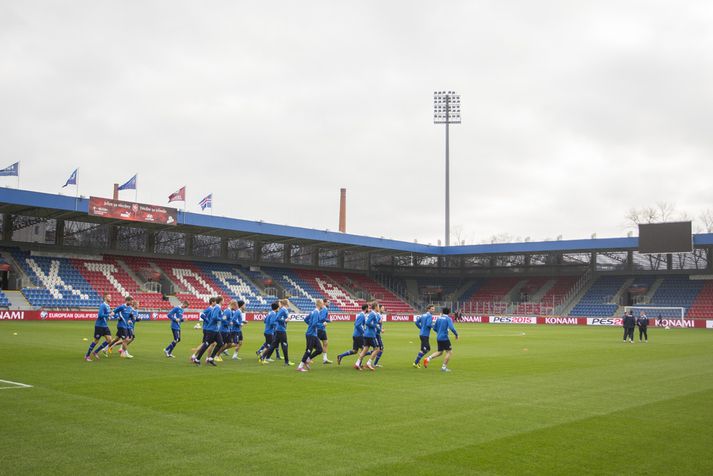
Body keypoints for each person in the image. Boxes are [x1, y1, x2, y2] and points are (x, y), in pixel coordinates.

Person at [192, 296, 225, 366]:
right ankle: (197, 359)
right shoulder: (217, 307)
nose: (224, 302)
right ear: (221, 301)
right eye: (223, 300)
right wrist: (221, 318)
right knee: (206, 344)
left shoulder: (216, 307)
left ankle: (211, 358)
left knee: (220, 343)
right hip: (211, 329)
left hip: (215, 329)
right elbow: (214, 317)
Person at [423, 307, 459, 372]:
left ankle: (428, 359)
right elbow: (452, 328)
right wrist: (456, 334)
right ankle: (443, 367)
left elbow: (434, 328)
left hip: (439, 337)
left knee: (440, 352)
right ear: (449, 312)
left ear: (442, 312)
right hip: (444, 337)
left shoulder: (439, 318)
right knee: (449, 352)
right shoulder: (448, 319)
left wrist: (439, 332)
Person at [260, 299, 293, 366]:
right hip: (281, 330)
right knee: (284, 345)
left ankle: (262, 357)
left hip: (279, 330)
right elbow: (277, 318)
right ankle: (287, 361)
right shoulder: (283, 309)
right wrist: (285, 320)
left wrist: (287, 319)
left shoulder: (284, 310)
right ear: (286, 303)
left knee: (273, 345)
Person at [297, 299, 325, 372]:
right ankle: (300, 366)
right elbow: (315, 324)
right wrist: (322, 325)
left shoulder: (313, 311)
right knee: (308, 351)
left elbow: (306, 320)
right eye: (322, 304)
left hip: (313, 334)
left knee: (319, 350)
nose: (323, 305)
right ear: (319, 304)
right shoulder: (316, 312)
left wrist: (311, 325)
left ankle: (308, 359)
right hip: (311, 334)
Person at [84, 293, 114, 361]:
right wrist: (108, 314)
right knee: (96, 341)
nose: (110, 298)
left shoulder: (108, 306)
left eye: (110, 296)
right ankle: (87, 355)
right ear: (105, 298)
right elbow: (100, 315)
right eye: (109, 297)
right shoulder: (102, 305)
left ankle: (95, 352)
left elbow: (106, 316)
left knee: (109, 340)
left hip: (105, 325)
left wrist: (111, 316)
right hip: (99, 326)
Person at [354, 302, 381, 371]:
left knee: (365, 349)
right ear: (375, 307)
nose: (379, 308)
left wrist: (379, 327)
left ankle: (357, 363)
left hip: (366, 334)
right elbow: (368, 323)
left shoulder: (370, 314)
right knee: (377, 349)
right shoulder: (373, 314)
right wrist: (375, 325)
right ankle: (369, 363)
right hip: (371, 334)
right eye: (378, 306)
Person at [318, 298, 332, 364]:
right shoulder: (325, 309)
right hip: (320, 328)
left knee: (325, 343)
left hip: (322, 329)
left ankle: (325, 359)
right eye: (328, 302)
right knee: (314, 344)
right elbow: (321, 318)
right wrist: (328, 320)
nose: (329, 304)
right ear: (324, 302)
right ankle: (308, 358)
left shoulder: (322, 309)